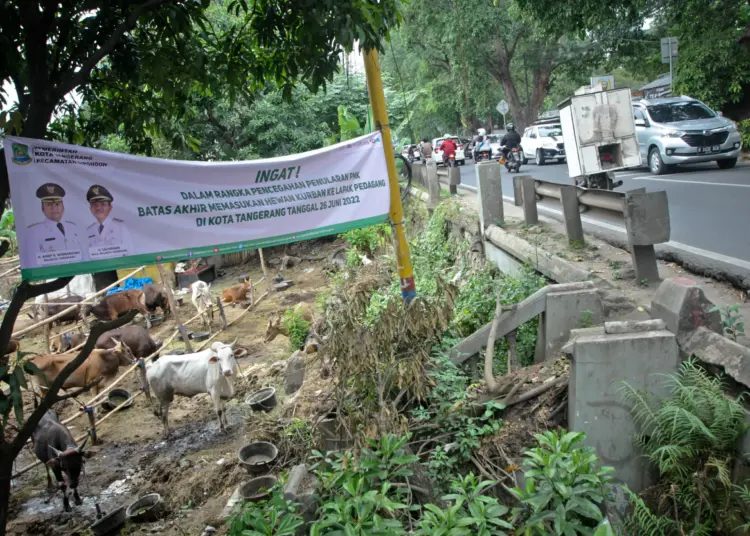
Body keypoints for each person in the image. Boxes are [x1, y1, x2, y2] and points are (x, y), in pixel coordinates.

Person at [27, 183, 82, 253]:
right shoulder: (33, 233)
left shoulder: (73, 228)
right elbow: (32, 262)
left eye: (57, 204)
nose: (54, 208)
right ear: (42, 208)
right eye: (49, 204)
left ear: (63, 206)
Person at [85, 185, 133, 254]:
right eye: (94, 204)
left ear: (110, 207)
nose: (98, 208)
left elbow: (131, 254)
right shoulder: (88, 231)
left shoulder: (121, 227)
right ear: (90, 209)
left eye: (103, 204)